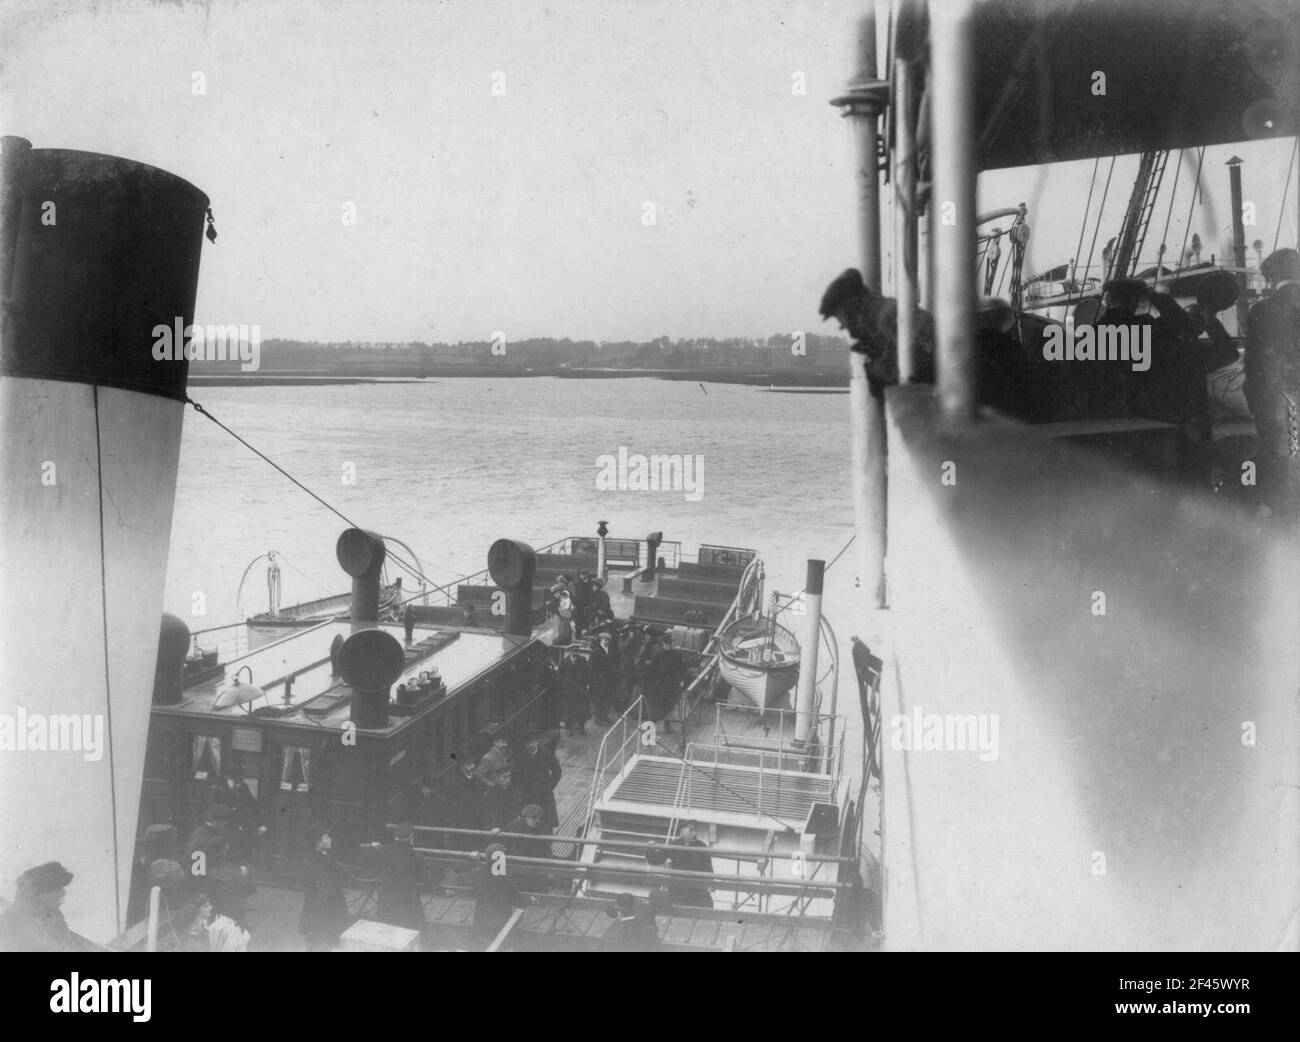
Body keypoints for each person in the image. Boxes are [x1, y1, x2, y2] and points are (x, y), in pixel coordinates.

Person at [819, 267, 937, 398]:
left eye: (840, 317)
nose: (842, 326)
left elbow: (920, 367)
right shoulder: (883, 319)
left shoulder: (888, 318)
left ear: (850, 307)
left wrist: (876, 368)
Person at [1245, 247, 1300, 517]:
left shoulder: (1262, 310)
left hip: (1276, 404)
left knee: (1278, 463)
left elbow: (1254, 364)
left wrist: (1254, 402)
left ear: (1270, 279)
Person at [0, 862, 104, 952]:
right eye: (56, 888)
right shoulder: (11, 922)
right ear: (36, 892)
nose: (63, 893)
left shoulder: (54, 916)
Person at [363, 822, 425, 935]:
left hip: (387, 898)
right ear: (412, 837)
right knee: (409, 930)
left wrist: (372, 847)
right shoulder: (416, 857)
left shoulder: (384, 851)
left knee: (387, 931)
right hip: (407, 900)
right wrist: (443, 891)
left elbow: (367, 857)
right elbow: (426, 877)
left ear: (395, 837)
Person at [298, 826, 351, 951]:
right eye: (326, 838)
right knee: (321, 940)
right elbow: (322, 889)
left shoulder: (323, 857)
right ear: (318, 843)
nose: (330, 840)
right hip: (324, 909)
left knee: (318, 939)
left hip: (322, 908)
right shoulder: (319, 862)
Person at [658, 821, 714, 909]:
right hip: (678, 885)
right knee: (678, 907)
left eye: (695, 831)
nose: (695, 833)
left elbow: (708, 866)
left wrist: (710, 883)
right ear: (682, 832)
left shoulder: (701, 846)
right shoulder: (674, 844)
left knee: (707, 906)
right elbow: (659, 858)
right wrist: (650, 851)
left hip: (697, 886)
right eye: (691, 831)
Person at [500, 804, 555, 892]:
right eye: (533, 818)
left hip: (537, 861)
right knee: (518, 886)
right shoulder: (515, 824)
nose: (537, 821)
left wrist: (550, 866)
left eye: (539, 818)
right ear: (526, 818)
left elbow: (547, 848)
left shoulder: (543, 827)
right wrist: (498, 831)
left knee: (539, 887)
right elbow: (504, 839)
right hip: (518, 860)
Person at [514, 732, 562, 829]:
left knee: (547, 821)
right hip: (529, 795)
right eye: (527, 743)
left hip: (544, 793)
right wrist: (522, 788)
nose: (530, 745)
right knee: (530, 820)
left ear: (536, 742)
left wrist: (551, 785)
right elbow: (516, 775)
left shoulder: (546, 753)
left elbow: (557, 770)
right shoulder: (521, 756)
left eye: (532, 742)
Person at [184, 891, 252, 952]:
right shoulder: (191, 933)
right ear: (198, 909)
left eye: (210, 905)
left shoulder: (208, 928)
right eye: (206, 906)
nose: (211, 908)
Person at [587, 630, 619, 726]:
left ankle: (604, 717)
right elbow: (591, 668)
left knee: (606, 700)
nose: (607, 642)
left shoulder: (610, 650)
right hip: (598, 682)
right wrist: (597, 679)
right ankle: (598, 719)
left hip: (608, 681)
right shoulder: (595, 652)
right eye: (605, 640)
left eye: (608, 640)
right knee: (599, 701)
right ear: (601, 640)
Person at [557, 645, 589, 734]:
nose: (575, 652)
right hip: (569, 691)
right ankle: (568, 728)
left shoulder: (583, 660)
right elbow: (559, 676)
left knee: (581, 709)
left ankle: (582, 727)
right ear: (570, 651)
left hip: (580, 690)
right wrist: (564, 687)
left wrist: (584, 684)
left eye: (576, 651)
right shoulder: (564, 662)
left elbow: (587, 673)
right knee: (568, 710)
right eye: (573, 651)